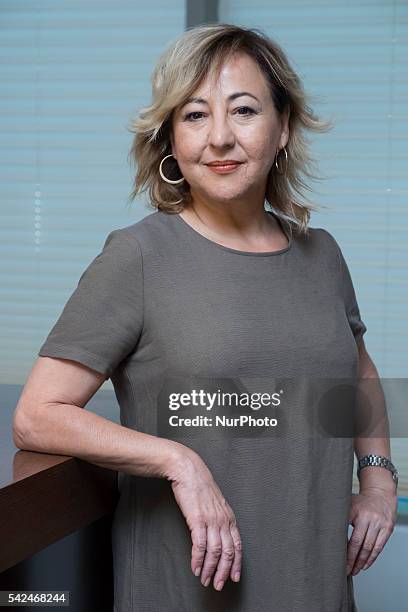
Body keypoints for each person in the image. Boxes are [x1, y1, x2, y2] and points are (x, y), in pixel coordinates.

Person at [13, 23, 398, 612]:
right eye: (194, 115)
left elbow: (355, 371)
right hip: (186, 593)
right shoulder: (139, 255)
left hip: (317, 586)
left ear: (283, 128)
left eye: (243, 110)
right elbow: (39, 415)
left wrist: (376, 476)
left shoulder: (323, 255)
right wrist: (177, 461)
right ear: (171, 136)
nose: (219, 137)